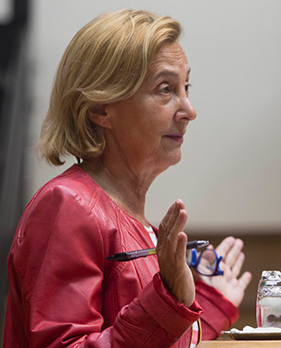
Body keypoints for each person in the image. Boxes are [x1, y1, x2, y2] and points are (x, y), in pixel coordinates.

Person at [3, 9, 252, 347]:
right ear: (100, 108)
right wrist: (168, 298)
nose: (189, 110)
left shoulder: (137, 222)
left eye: (186, 87)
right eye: (165, 89)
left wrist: (209, 306)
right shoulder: (66, 207)